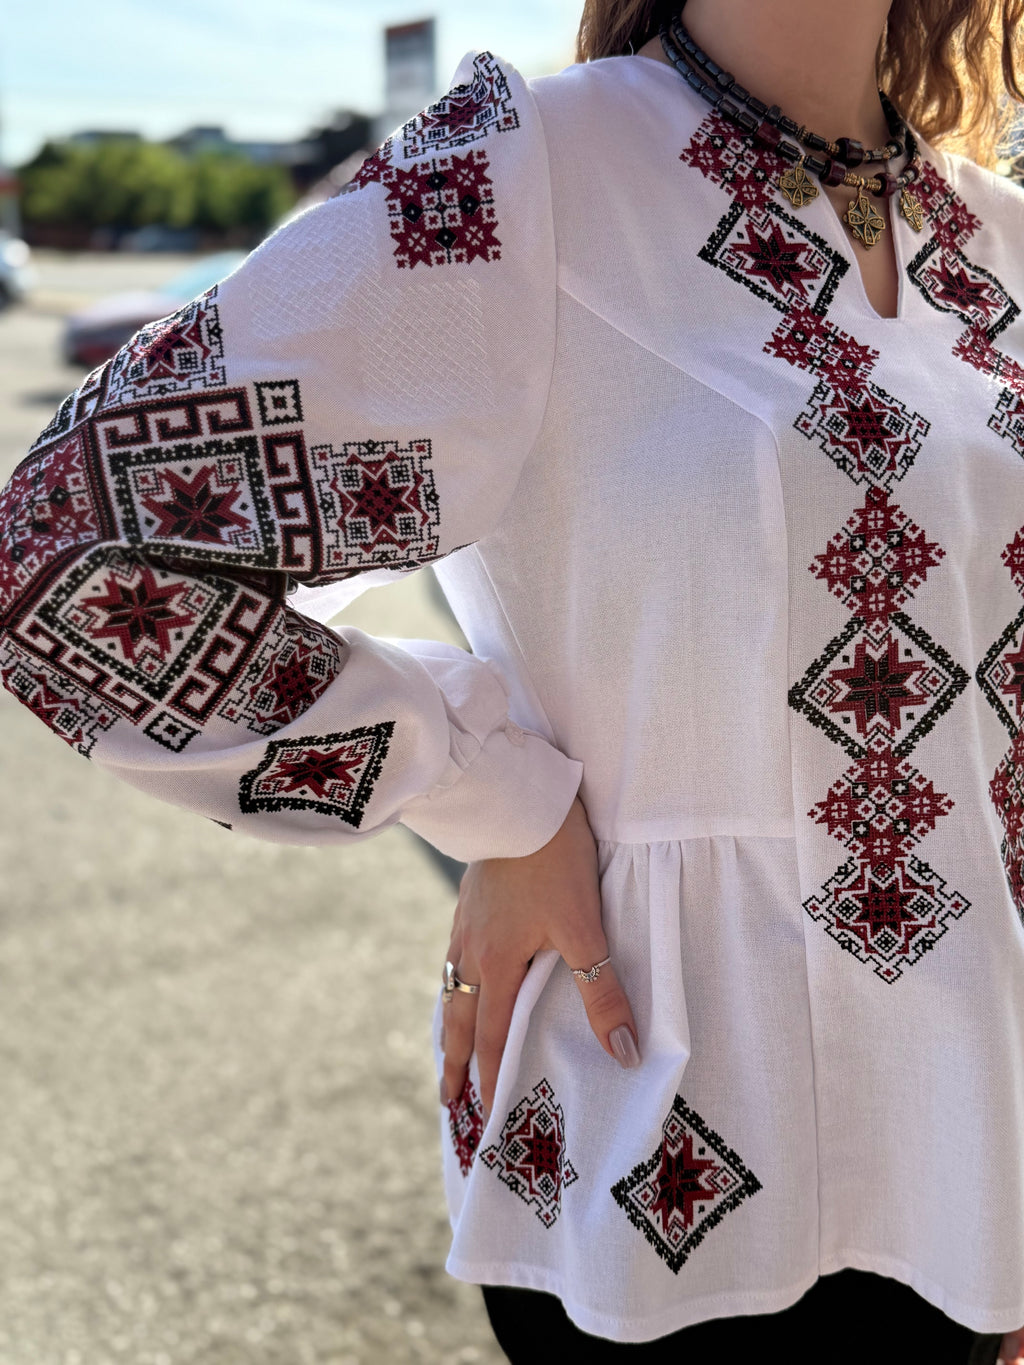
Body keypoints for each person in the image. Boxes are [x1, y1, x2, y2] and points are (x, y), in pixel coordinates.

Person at [2, 0, 1024, 1358]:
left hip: (966, 1150)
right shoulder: (521, 177)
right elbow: (65, 562)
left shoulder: (997, 239)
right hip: (660, 1141)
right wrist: (492, 791)